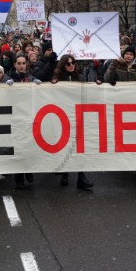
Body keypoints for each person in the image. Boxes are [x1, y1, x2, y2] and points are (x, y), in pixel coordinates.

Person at [51, 54, 94, 191]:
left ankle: (81, 177)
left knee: (79, 146)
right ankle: (65, 173)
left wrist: (97, 84)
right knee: (65, 145)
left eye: (73, 62)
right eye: (68, 63)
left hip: (78, 116)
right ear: (63, 65)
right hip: (63, 117)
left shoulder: (80, 78)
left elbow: (87, 93)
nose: (71, 65)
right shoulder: (57, 80)